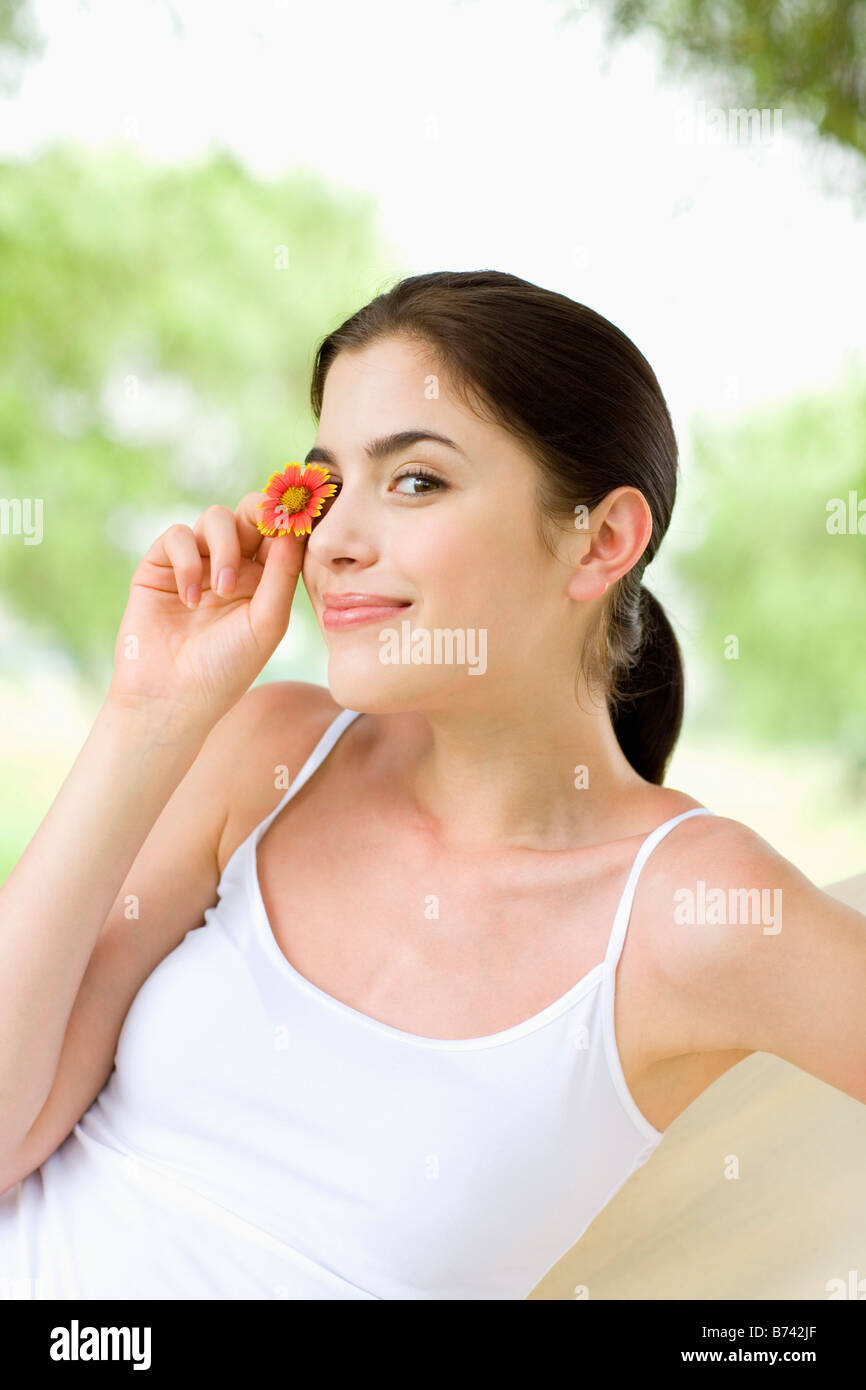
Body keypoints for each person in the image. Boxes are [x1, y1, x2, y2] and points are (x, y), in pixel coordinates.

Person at [0, 270, 863, 1301]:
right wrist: (148, 715)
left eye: (413, 481)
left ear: (600, 538)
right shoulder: (267, 754)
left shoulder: (693, 911)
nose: (330, 541)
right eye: (326, 485)